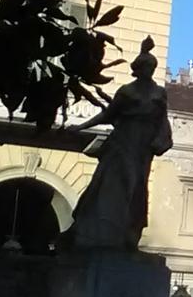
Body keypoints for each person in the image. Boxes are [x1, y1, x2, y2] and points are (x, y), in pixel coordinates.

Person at [60, 36, 172, 250]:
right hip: (124, 140)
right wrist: (81, 127)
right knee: (115, 182)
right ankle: (102, 230)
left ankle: (131, 230)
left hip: (144, 145)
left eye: (151, 66)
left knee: (138, 186)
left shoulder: (160, 93)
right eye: (144, 66)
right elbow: (108, 115)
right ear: (137, 69)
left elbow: (163, 119)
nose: (147, 69)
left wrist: (162, 138)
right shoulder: (127, 91)